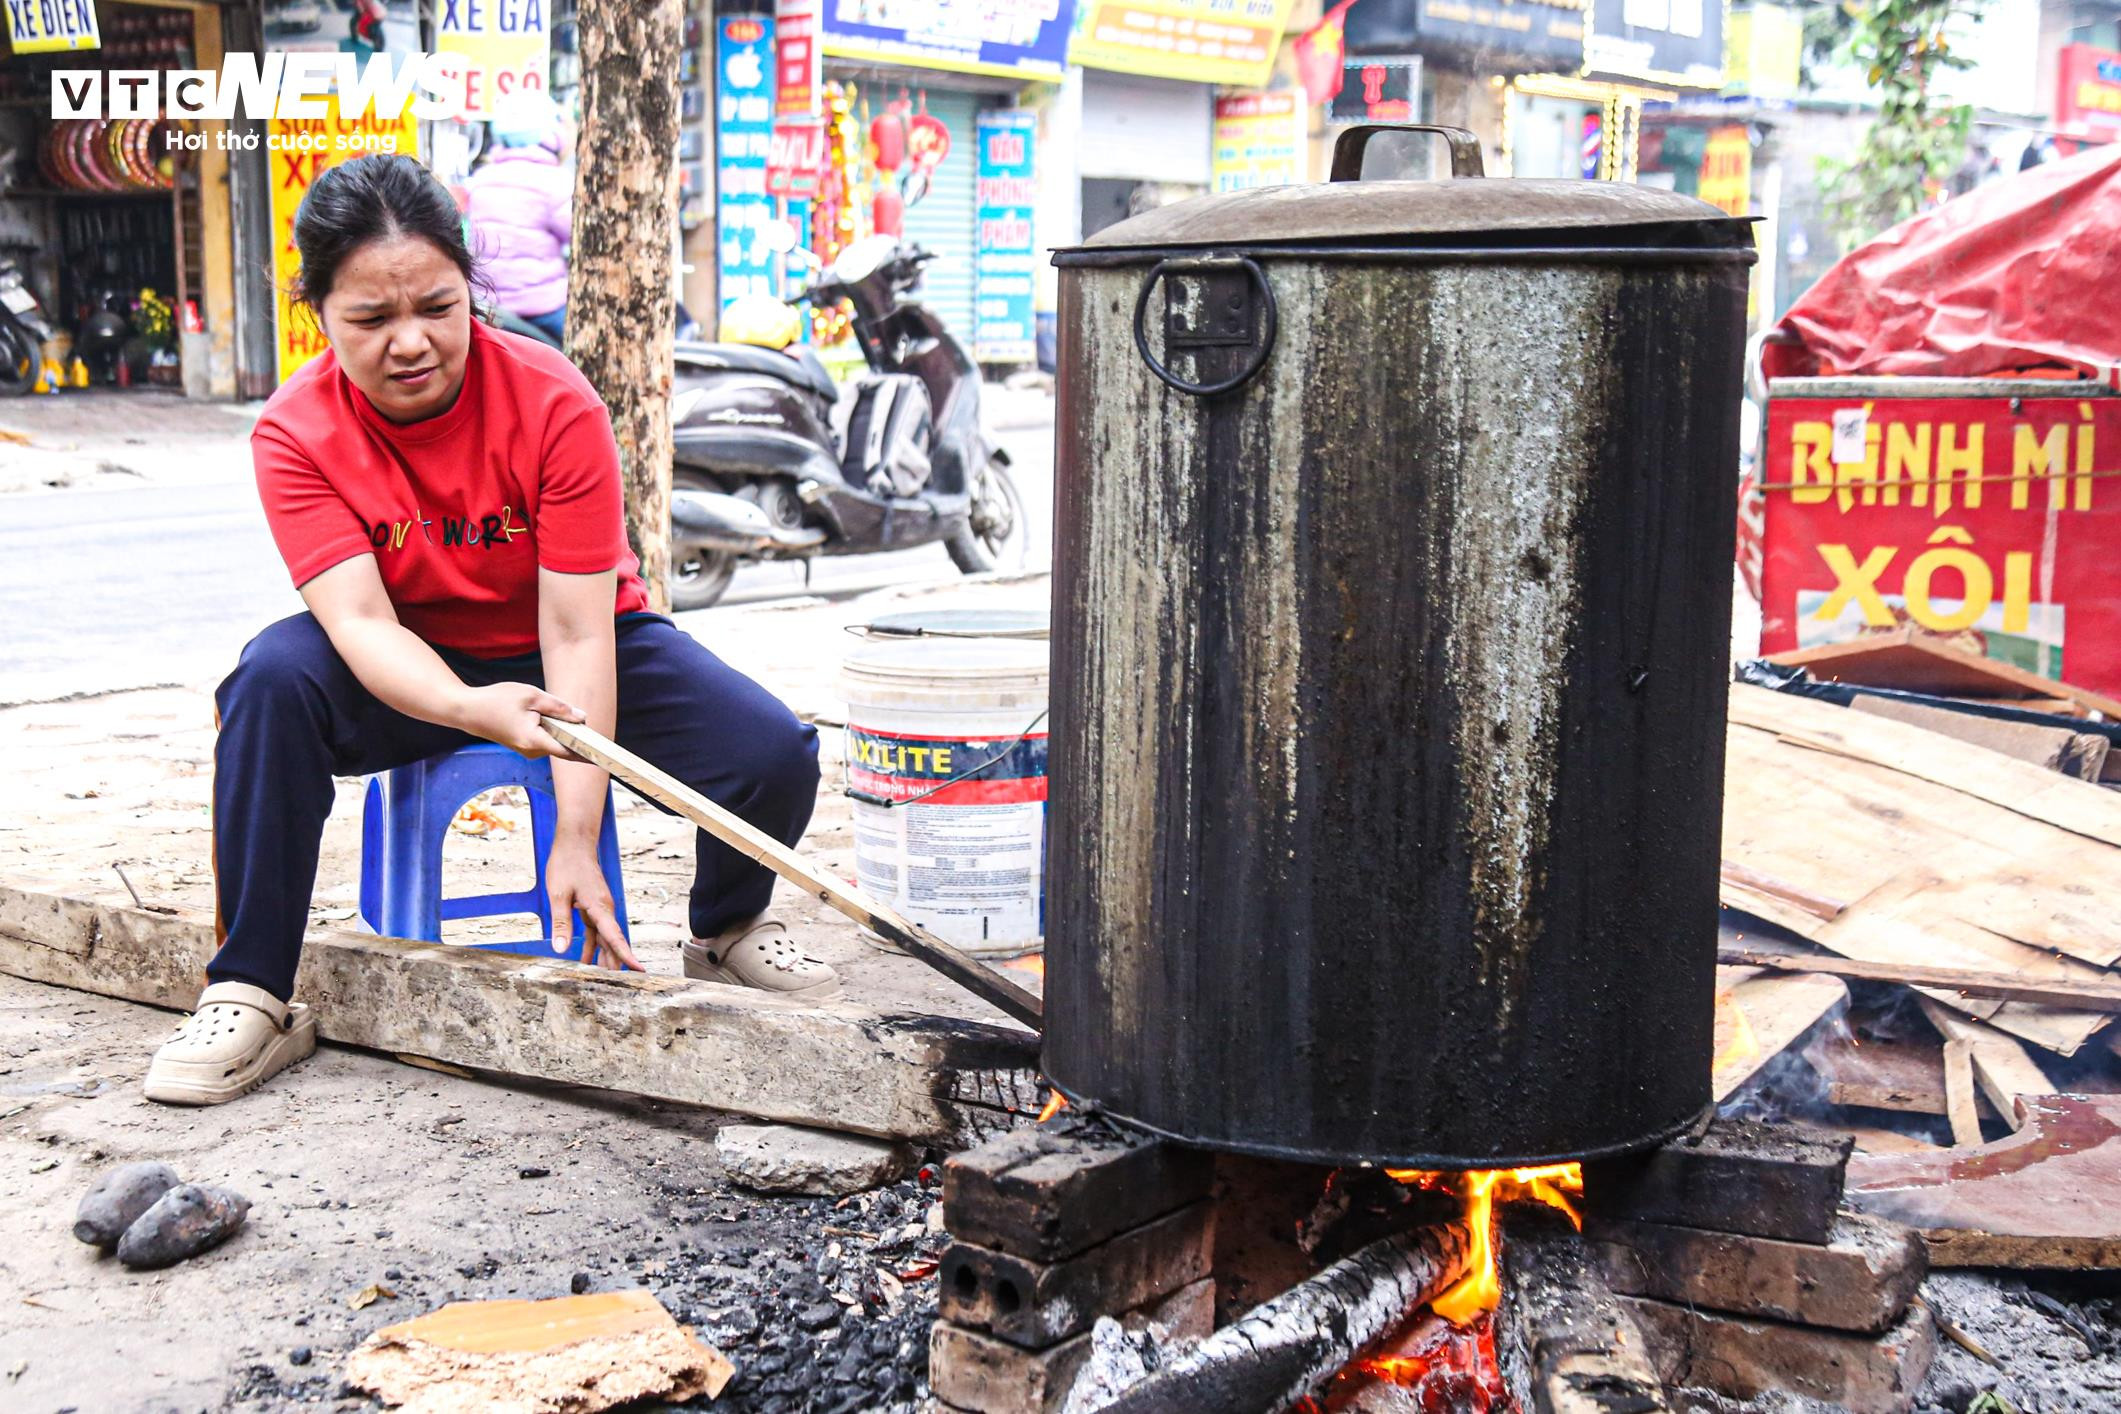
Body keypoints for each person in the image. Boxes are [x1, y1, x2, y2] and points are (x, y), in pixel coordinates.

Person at [142, 154, 838, 1106]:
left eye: (438, 306)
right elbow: (359, 621)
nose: (412, 342)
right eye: (371, 319)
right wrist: (471, 705)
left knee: (771, 752)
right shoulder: (295, 432)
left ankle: (726, 925)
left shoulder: (553, 401)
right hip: (405, 656)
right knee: (268, 681)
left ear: (470, 286)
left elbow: (579, 633)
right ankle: (250, 989)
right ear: (318, 313)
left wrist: (577, 837)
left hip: (574, 638)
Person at [463, 91, 573, 344]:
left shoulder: (481, 178)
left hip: (488, 304)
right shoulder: (554, 181)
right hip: (543, 307)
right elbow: (576, 236)